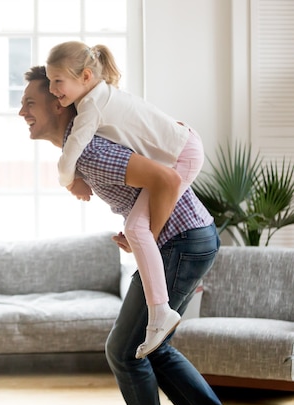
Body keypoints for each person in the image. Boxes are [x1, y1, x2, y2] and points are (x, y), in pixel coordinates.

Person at [19, 65, 233, 405]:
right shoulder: (80, 147)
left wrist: (146, 235)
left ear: (58, 104)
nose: (21, 111)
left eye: (30, 102)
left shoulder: (88, 150)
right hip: (187, 238)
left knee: (124, 350)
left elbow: (165, 180)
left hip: (182, 240)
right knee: (151, 348)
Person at [46, 41, 206, 358]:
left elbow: (68, 158)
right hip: (183, 145)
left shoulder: (92, 106)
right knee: (141, 227)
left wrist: (71, 181)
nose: (52, 90)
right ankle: (180, 287)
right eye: (49, 82)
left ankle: (162, 312)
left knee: (137, 229)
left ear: (86, 76)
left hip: (182, 155)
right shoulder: (100, 94)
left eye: (57, 81)